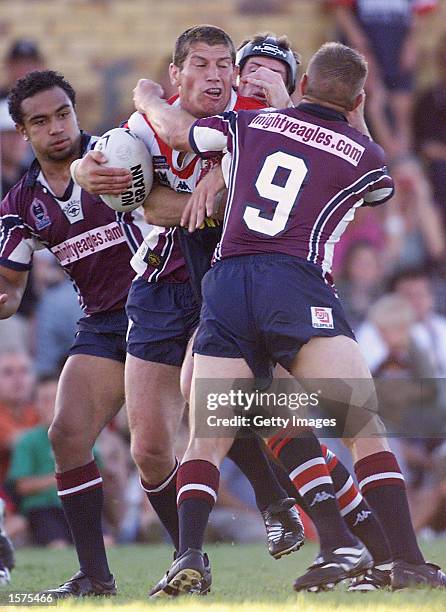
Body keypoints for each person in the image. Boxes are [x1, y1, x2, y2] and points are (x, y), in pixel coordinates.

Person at [134, 41, 446, 594]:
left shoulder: (248, 126)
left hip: (227, 284)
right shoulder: (361, 152)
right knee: (362, 428)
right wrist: (358, 118)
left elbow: (181, 132)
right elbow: (379, 181)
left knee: (205, 437)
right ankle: (406, 561)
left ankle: (189, 557)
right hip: (295, 285)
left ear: (301, 87)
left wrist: (148, 97)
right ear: (357, 98)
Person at [74, 28, 305, 596]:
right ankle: (231, 532)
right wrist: (88, 173)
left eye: (224, 64)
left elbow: (253, 189)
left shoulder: (253, 114)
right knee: (150, 448)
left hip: (226, 281)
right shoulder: (142, 128)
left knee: (218, 404)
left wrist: (221, 185)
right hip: (157, 283)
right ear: (176, 75)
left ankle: (202, 551)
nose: (215, 75)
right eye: (200, 65)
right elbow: (124, 183)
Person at [0, 70, 151, 598]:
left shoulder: (120, 153)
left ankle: (330, 524)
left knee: (214, 426)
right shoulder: (21, 202)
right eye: (40, 121)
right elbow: (12, 291)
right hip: (102, 324)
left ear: (74, 111)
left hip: (160, 309)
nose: (56, 128)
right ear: (24, 131)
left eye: (63, 114)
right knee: (66, 435)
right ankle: (96, 577)